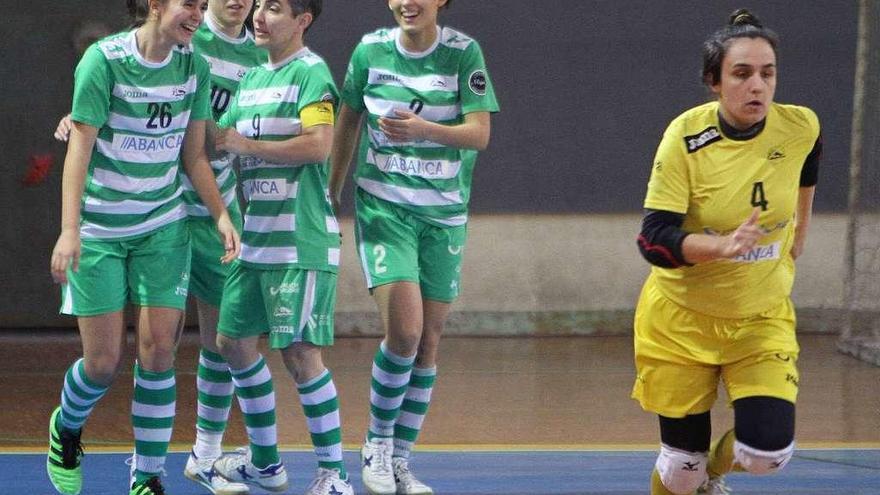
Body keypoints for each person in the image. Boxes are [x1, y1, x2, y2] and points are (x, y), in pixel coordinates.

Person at [46, 1, 241, 495]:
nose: (199, 14)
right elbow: (79, 150)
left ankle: (147, 476)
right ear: (156, 4)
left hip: (163, 228)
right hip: (102, 233)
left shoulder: (193, 65)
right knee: (102, 362)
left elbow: (194, 154)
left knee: (158, 353)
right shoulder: (104, 61)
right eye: (189, 4)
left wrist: (219, 213)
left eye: (203, 5)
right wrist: (70, 231)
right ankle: (66, 427)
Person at [632, 9, 821, 495]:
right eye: (741, 74)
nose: (757, 85)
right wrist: (721, 247)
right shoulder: (686, 138)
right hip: (680, 319)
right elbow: (653, 239)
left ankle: (711, 475)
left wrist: (800, 230)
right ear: (714, 82)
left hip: (759, 317)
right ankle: (692, 477)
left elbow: (807, 163)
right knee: (678, 472)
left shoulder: (800, 126)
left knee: (767, 455)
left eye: (767, 73)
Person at [328, 1, 499, 493]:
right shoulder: (370, 51)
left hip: (442, 217)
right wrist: (329, 193)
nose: (408, 2)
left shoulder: (464, 54)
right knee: (404, 331)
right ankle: (376, 444)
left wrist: (423, 130)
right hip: (385, 209)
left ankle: (401, 460)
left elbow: (479, 135)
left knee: (428, 343)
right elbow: (347, 121)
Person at [207, 1, 353, 494]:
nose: (259, 16)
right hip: (254, 243)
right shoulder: (249, 80)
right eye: (259, 6)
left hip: (299, 242)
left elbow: (317, 146)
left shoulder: (311, 74)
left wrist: (249, 147)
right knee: (232, 344)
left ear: (303, 20)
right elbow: (218, 142)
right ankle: (266, 464)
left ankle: (334, 475)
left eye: (273, 8)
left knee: (300, 355)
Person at [180, 2, 267, 494]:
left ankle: (205, 455)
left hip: (220, 214)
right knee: (157, 344)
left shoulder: (262, 58)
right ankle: (145, 465)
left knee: (221, 337)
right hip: (164, 211)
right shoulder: (185, 37)